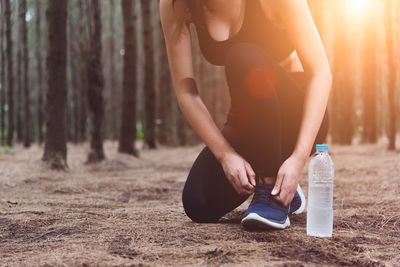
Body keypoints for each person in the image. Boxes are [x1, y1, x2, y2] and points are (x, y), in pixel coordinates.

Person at [160, 0, 331, 230]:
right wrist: (225, 156)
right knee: (198, 202)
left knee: (241, 55)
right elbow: (186, 92)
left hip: (297, 115)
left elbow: (321, 74)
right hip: (250, 120)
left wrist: (298, 159)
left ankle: (271, 190)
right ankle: (285, 192)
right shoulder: (176, 4)